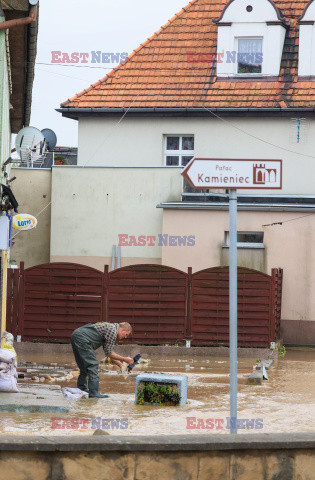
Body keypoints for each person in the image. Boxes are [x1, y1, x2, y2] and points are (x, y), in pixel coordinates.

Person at [71, 321, 133, 398]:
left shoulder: (110, 328)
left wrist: (121, 365)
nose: (125, 337)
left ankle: (82, 388)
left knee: (83, 365)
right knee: (93, 364)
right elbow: (110, 353)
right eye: (126, 334)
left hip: (76, 335)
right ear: (123, 330)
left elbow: (108, 353)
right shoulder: (112, 331)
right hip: (82, 338)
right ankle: (94, 392)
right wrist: (125, 359)